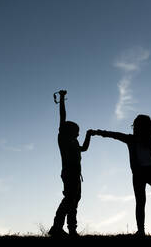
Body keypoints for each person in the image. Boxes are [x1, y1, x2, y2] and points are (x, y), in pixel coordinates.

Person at [91, 95, 151, 237]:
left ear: (145, 127)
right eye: (137, 125)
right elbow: (113, 134)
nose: (138, 127)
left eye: (141, 125)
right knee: (140, 202)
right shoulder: (130, 139)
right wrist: (97, 132)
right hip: (138, 174)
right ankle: (141, 230)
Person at [49, 90, 93, 237]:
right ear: (69, 130)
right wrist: (62, 98)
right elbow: (62, 116)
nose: (79, 133)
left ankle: (72, 229)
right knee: (69, 199)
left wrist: (88, 136)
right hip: (68, 173)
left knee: (74, 201)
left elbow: (84, 149)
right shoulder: (63, 138)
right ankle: (56, 228)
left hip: (75, 174)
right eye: (78, 131)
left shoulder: (74, 142)